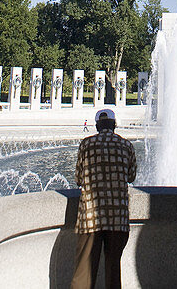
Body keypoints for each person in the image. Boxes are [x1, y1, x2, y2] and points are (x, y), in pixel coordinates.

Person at [71, 107, 137, 289]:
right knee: (113, 268)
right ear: (115, 125)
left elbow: (78, 178)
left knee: (84, 269)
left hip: (90, 216)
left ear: (97, 125)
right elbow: (131, 176)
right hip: (118, 216)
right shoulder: (126, 146)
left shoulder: (86, 144)